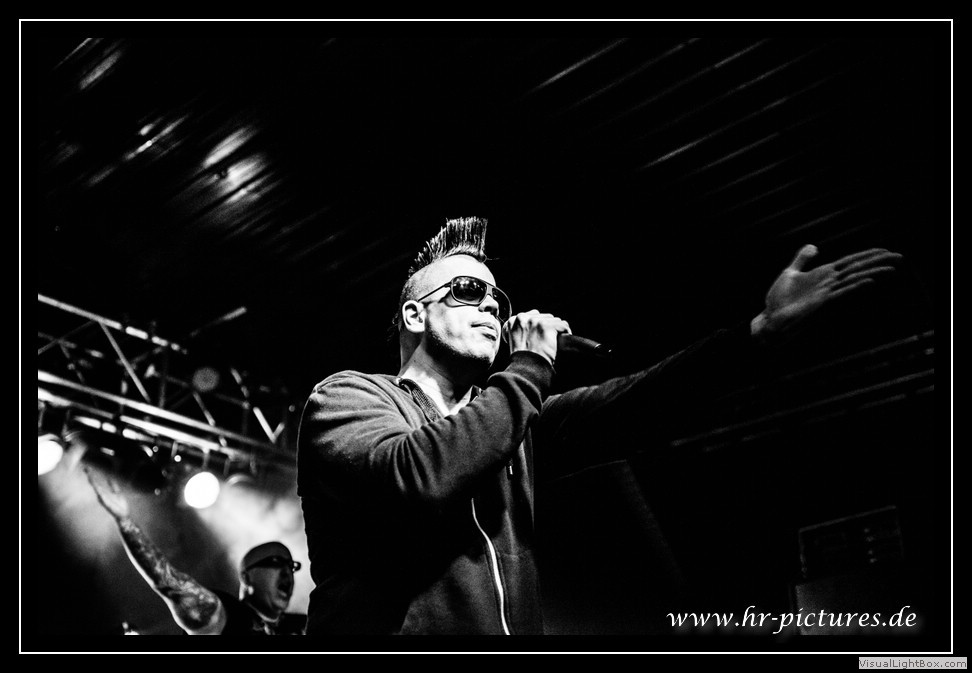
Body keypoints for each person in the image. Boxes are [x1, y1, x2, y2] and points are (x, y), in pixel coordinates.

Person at [295, 216, 901, 635]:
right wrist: (529, 367)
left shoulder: (513, 424)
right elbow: (420, 474)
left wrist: (756, 336)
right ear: (414, 314)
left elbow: (637, 402)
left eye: (497, 300)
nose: (490, 307)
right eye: (468, 290)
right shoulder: (348, 398)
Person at [85, 468, 306, 636]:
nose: (287, 572)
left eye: (291, 566)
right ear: (247, 577)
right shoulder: (228, 616)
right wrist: (125, 522)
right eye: (276, 562)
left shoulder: (300, 625)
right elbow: (170, 583)